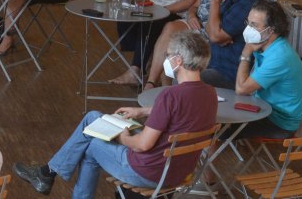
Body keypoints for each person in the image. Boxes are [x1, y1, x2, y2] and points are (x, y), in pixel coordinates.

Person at [14, 31, 217, 197]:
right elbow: (183, 113)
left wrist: (122, 136)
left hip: (148, 172)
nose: (165, 59)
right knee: (93, 118)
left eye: (167, 55)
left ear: (178, 60)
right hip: (179, 172)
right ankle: (47, 173)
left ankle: (47, 174)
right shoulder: (210, 93)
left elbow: (142, 144)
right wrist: (143, 111)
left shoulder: (170, 96)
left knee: (91, 144)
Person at [145, 0, 261, 89]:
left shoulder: (249, 4)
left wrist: (215, 2)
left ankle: (168, 101)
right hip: (214, 61)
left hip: (228, 71)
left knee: (183, 79)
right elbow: (209, 29)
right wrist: (216, 33)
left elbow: (214, 36)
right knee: (174, 63)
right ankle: (164, 97)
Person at [232, 0, 302, 138]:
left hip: (278, 122)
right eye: (248, 23)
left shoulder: (279, 56)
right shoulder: (264, 45)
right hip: (262, 107)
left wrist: (245, 54)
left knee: (219, 126)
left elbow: (242, 89)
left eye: (254, 25)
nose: (248, 29)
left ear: (270, 30)